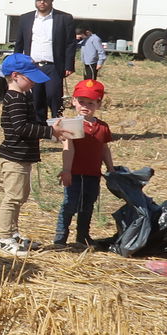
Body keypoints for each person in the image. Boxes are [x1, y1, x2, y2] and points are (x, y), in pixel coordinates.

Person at [0, 53, 75, 255]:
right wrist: (49, 132)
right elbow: (21, 128)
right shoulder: (15, 99)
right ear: (15, 76)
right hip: (14, 157)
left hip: (22, 155)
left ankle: (13, 233)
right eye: (30, 78)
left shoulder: (22, 96)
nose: (33, 83)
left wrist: (48, 127)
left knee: (20, 196)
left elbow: (29, 124)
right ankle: (3, 238)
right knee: (13, 197)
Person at [55, 79, 114, 248]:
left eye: (90, 102)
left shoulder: (102, 127)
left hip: (93, 173)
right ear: (73, 101)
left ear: (98, 104)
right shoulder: (70, 125)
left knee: (87, 205)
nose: (85, 106)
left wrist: (110, 168)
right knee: (69, 205)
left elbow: (104, 149)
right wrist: (66, 170)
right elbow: (68, 147)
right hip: (75, 172)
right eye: (81, 101)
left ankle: (82, 236)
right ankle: (61, 237)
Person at [11, 0, 76, 119]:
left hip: (53, 65)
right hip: (32, 65)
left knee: (53, 95)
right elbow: (19, 44)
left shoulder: (64, 18)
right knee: (36, 97)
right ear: (35, 1)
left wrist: (69, 65)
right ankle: (40, 128)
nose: (42, 2)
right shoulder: (25, 19)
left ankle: (56, 125)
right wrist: (15, 64)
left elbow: (70, 43)